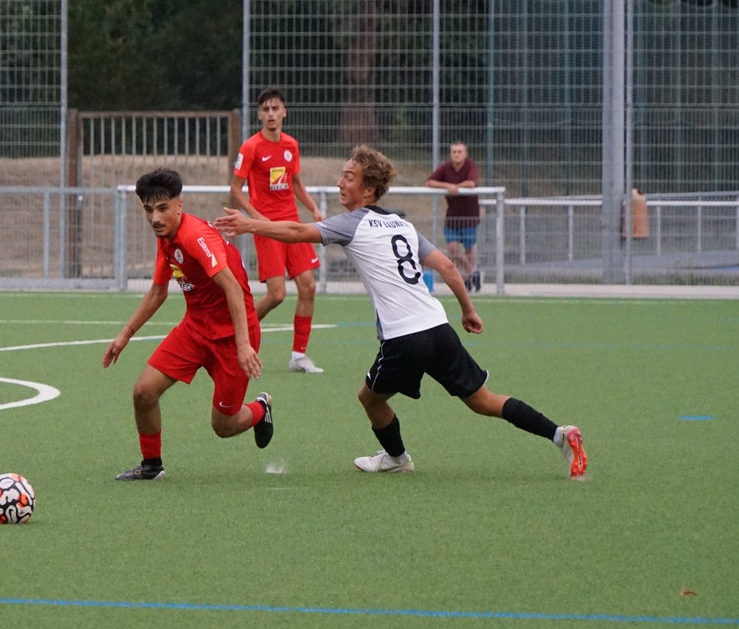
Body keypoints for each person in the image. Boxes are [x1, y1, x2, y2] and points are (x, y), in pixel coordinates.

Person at [215, 145, 587, 478]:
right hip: (438, 327)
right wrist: (467, 310)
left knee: (369, 398)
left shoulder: (352, 223)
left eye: (349, 177)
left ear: (368, 191)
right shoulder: (403, 225)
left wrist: (249, 224)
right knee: (483, 400)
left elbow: (298, 232)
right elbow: (448, 267)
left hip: (404, 337)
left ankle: (397, 458)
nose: (340, 183)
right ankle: (560, 434)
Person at [103, 168, 273, 481]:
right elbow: (158, 291)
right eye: (149, 210)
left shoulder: (196, 237)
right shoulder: (166, 238)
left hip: (232, 337)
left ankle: (261, 409)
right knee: (143, 392)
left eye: (162, 208)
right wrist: (125, 334)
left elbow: (233, 288)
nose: (155, 218)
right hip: (195, 329)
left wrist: (243, 344)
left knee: (224, 426)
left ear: (179, 205)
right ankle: (151, 465)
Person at [231, 87, 326, 373]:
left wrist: (313, 207)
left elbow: (295, 183)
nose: (271, 114)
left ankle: (298, 356)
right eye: (266, 109)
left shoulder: (291, 145)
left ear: (284, 112)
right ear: (259, 115)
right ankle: (235, 337)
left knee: (308, 286)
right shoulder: (250, 147)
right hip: (268, 227)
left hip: (292, 224)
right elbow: (235, 190)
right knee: (276, 295)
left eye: (275, 108)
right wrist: (257, 218)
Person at [426, 141, 481, 291]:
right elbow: (430, 182)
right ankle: (472, 272)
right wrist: (447, 186)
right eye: (454, 152)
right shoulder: (446, 167)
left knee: (469, 249)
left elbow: (471, 182)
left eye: (459, 151)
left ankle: (467, 280)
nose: (456, 154)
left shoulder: (470, 165)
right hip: (452, 215)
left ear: (465, 154)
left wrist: (457, 187)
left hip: (469, 215)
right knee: (453, 248)